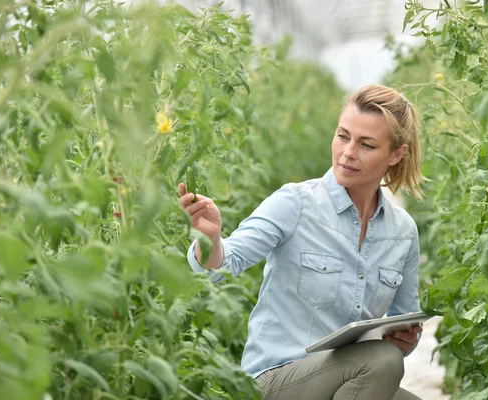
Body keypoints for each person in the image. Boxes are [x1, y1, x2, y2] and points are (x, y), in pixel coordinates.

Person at [178, 84, 426, 400]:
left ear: (396, 154)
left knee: (394, 373)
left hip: (347, 380)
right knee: (382, 360)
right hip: (277, 380)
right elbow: (221, 265)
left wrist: (406, 340)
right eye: (343, 136)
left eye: (366, 145)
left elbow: (406, 324)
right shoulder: (296, 203)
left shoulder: (403, 230)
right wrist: (209, 237)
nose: (348, 152)